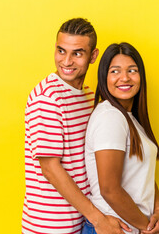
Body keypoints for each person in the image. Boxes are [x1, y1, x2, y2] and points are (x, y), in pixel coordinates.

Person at [22, 18, 131, 234]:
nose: (66, 61)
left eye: (77, 53)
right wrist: (98, 219)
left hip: (82, 221)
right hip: (50, 226)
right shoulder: (47, 98)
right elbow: (50, 168)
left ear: (93, 56)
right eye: (61, 51)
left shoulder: (89, 96)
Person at [83, 42, 159, 234]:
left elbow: (144, 174)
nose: (125, 78)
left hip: (132, 226)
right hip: (115, 229)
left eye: (132, 70)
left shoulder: (128, 118)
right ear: (104, 77)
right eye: (115, 71)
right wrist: (146, 227)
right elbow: (109, 189)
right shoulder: (110, 117)